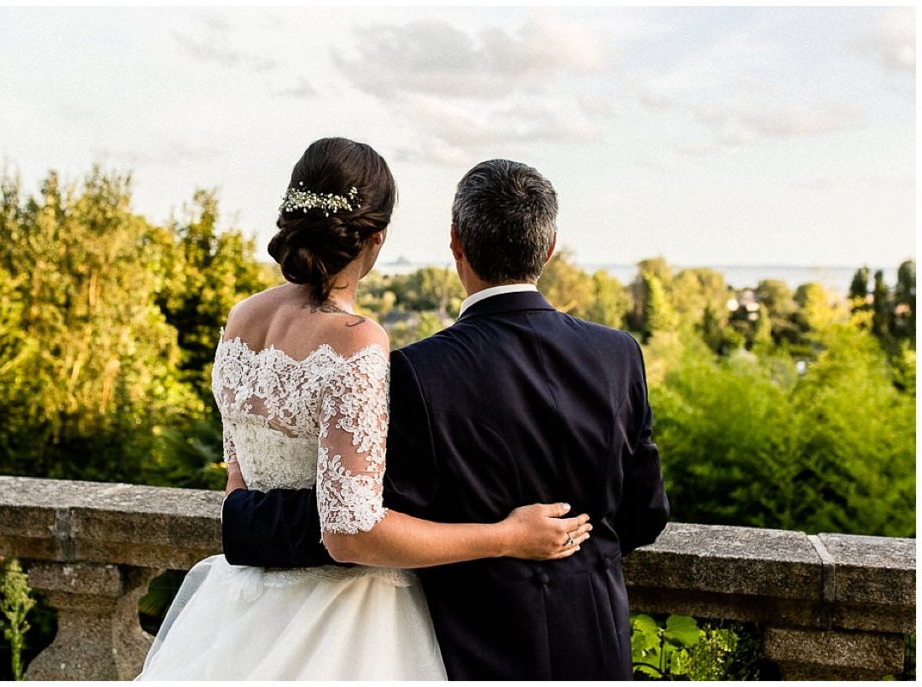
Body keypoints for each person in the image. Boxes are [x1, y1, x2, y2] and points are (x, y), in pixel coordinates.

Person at [134, 138, 593, 681]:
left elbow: (240, 483)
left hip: (243, 605)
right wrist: (508, 536)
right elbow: (351, 533)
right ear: (376, 238)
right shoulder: (355, 341)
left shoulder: (242, 321)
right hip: (343, 620)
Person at [220, 158, 670, 680]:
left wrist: (243, 519)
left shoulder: (418, 371)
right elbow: (645, 513)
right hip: (596, 640)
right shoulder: (619, 354)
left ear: (455, 241)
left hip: (471, 647)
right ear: (549, 248)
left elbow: (369, 522)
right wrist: (568, 553)